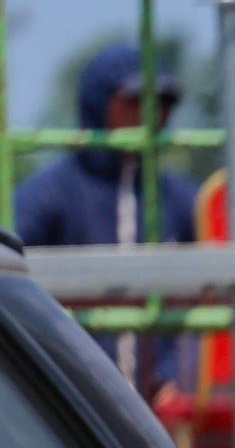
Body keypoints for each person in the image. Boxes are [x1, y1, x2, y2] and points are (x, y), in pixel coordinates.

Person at [12, 42, 197, 400]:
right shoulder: (51, 195)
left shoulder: (177, 198)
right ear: (98, 104)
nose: (150, 114)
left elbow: (199, 305)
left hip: (159, 402)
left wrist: (175, 374)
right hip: (68, 399)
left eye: (162, 103)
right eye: (133, 101)